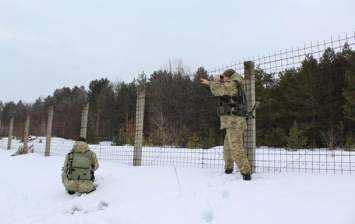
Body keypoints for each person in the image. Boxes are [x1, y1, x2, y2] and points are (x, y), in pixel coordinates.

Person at [201, 69, 252, 180]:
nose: (223, 80)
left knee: (235, 147)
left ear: (228, 77)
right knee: (228, 148)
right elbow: (222, 89)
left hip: (234, 121)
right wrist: (210, 82)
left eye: (224, 78)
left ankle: (246, 173)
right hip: (232, 121)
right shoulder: (234, 83)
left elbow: (217, 91)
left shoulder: (233, 83)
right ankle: (228, 168)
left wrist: (215, 80)